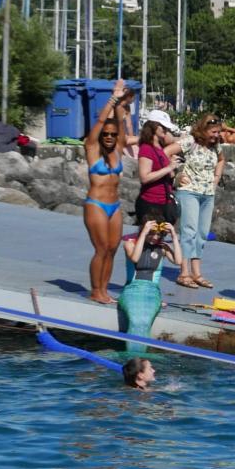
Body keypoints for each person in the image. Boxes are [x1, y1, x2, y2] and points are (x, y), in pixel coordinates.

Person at [82, 79, 136, 305]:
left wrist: (121, 104)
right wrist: (113, 97)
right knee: (101, 248)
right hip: (96, 205)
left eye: (113, 134)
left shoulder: (118, 150)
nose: (109, 137)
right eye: (106, 134)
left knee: (113, 249)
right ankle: (96, 290)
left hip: (114, 207)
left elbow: (119, 123)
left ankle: (104, 291)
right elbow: (102, 120)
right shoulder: (92, 149)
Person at [174, 115, 226, 290]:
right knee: (188, 231)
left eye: (218, 132)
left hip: (207, 193)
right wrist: (176, 174)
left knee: (202, 233)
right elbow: (166, 152)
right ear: (203, 130)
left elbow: (221, 160)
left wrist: (216, 178)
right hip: (189, 191)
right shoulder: (190, 141)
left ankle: (196, 273)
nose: (216, 135)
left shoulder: (216, 146)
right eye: (213, 132)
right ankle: (184, 272)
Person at [117, 221, 184, 350]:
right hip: (132, 289)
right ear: (144, 231)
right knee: (136, 320)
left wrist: (174, 236)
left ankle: (137, 355)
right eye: (151, 234)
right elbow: (135, 259)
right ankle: (136, 355)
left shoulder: (163, 248)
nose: (155, 237)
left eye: (158, 235)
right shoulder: (130, 244)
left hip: (152, 291)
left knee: (144, 320)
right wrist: (143, 234)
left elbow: (179, 261)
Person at [134, 112, 184, 230]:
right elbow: (144, 177)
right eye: (163, 127)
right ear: (153, 126)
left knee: (158, 240)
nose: (166, 130)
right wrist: (168, 167)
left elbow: (165, 174)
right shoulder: (146, 148)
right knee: (149, 239)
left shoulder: (159, 148)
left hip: (163, 201)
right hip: (150, 203)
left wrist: (171, 167)